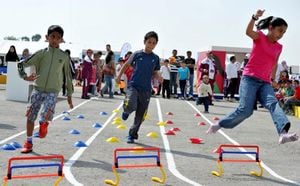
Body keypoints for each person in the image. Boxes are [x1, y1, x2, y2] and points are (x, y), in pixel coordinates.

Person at [206, 9, 298, 144]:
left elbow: (274, 63)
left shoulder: (279, 47)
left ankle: (282, 133)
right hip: (249, 79)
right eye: (280, 31)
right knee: (246, 110)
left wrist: (273, 80)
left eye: (284, 32)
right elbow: (248, 32)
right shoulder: (260, 37)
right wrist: (254, 17)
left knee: (273, 103)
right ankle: (219, 124)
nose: (281, 35)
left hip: (265, 82)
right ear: (271, 28)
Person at [17, 25, 73, 153]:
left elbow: (68, 76)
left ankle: (44, 125)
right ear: (47, 37)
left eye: (58, 38)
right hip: (38, 89)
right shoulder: (41, 54)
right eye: (52, 37)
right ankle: (29, 142)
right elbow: (21, 64)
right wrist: (25, 77)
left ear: (61, 40)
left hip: (53, 91)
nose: (55, 40)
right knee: (30, 116)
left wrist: (69, 95)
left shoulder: (64, 56)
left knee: (46, 114)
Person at [115, 31, 162, 143]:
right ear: (144, 42)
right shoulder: (137, 54)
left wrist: (158, 77)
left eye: (153, 43)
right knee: (131, 104)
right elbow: (126, 65)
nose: (151, 44)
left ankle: (132, 135)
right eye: (149, 42)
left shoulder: (155, 58)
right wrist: (119, 76)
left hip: (146, 89)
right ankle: (126, 111)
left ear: (156, 44)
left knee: (141, 115)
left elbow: (155, 72)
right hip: (134, 85)